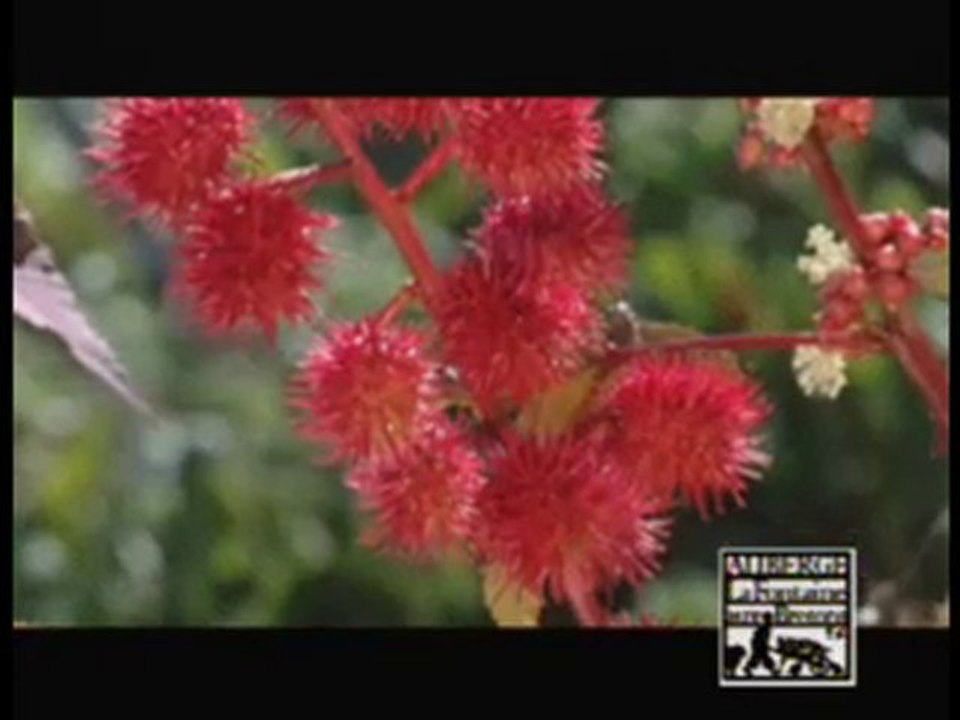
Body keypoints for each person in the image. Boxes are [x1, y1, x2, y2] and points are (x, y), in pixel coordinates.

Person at [743, 612, 778, 677]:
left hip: (759, 646)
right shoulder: (765, 628)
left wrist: (767, 646)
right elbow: (761, 638)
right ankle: (773, 671)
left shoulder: (766, 627)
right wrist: (766, 646)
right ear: (766, 619)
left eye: (770, 618)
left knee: (760, 658)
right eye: (770, 618)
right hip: (759, 647)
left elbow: (759, 637)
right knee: (762, 658)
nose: (771, 620)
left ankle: (747, 668)